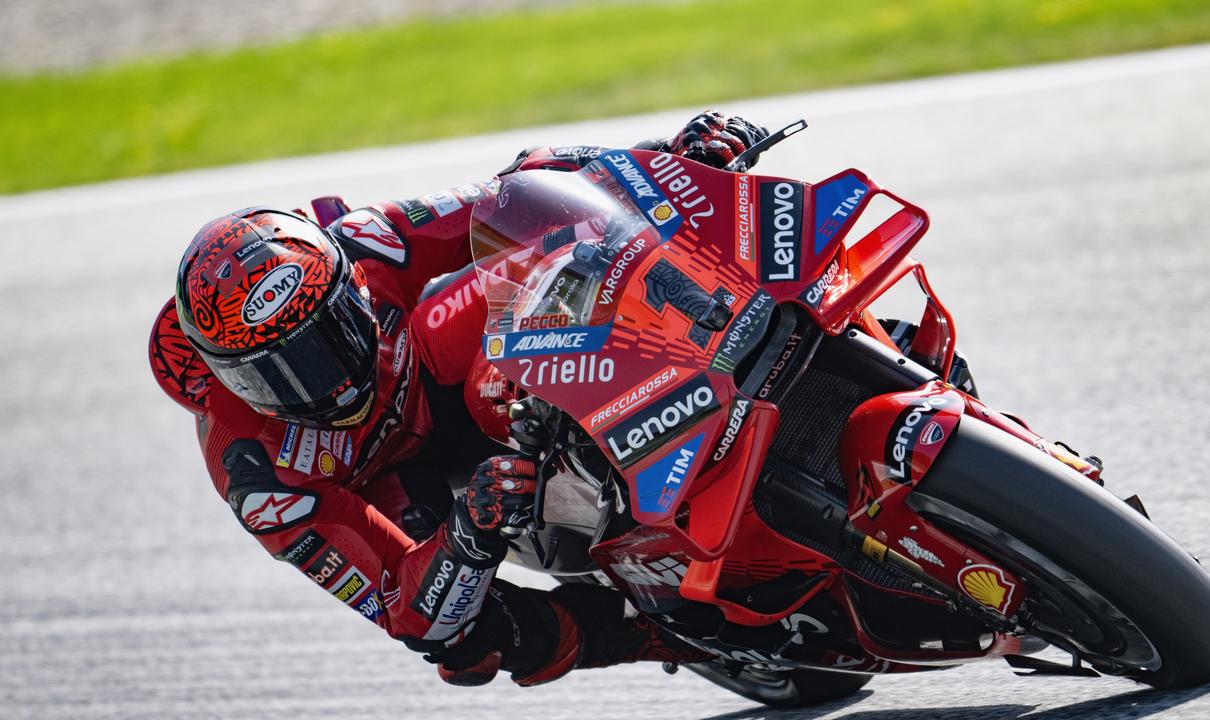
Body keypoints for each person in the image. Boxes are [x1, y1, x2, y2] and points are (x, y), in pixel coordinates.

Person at [148, 112, 768, 687]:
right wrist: (467, 535)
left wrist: (667, 156)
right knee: (462, 646)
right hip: (400, 480)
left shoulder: (365, 241)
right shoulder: (255, 474)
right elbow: (401, 606)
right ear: (227, 380)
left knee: (554, 237)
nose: (328, 383)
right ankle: (661, 636)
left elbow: (518, 189)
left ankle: (711, 340)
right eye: (280, 375)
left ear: (352, 288)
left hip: (434, 372)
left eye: (332, 338)